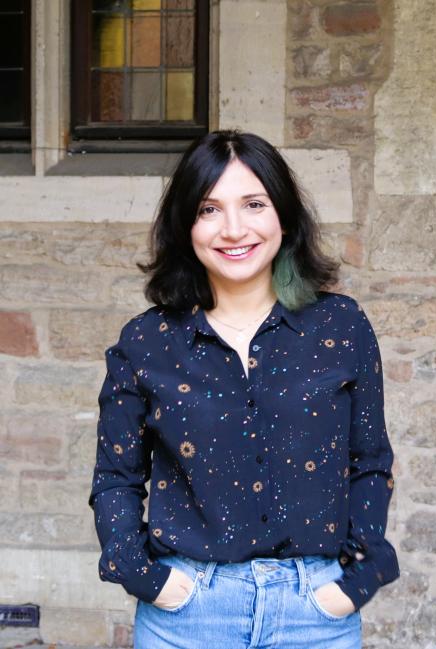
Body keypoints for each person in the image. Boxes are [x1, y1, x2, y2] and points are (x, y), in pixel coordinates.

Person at [88, 129, 400, 649]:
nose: (234, 229)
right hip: (187, 618)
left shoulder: (340, 327)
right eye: (209, 209)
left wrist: (355, 583)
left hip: (316, 616)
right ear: (185, 225)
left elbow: (369, 462)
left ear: (284, 214)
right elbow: (116, 478)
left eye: (254, 204)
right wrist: (148, 580)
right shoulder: (146, 343)